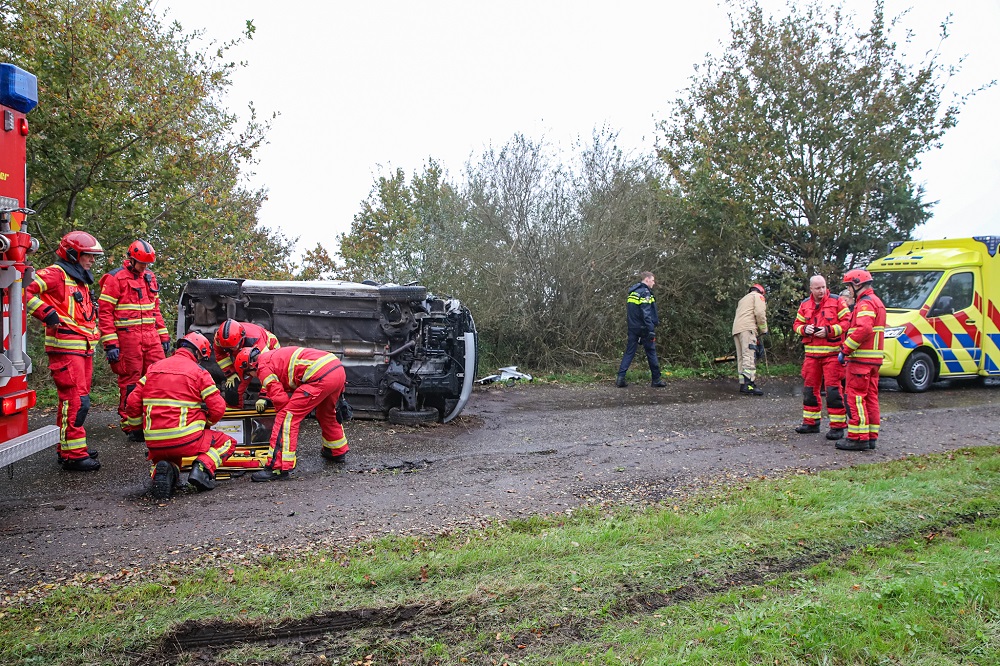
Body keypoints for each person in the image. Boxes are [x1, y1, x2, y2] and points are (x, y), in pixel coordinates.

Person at [25, 231, 104, 471]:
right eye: (87, 256)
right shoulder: (56, 274)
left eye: (93, 256)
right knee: (77, 401)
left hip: (82, 348)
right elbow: (22, 289)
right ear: (72, 254)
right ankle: (74, 455)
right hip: (67, 349)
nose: (91, 261)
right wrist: (45, 312)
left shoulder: (78, 278)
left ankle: (69, 447)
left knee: (73, 402)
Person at [124, 332, 236, 499]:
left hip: (155, 442)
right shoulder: (198, 372)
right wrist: (207, 422)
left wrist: (137, 429)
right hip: (186, 439)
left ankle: (164, 471)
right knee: (227, 442)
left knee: (168, 459)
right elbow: (218, 407)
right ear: (198, 353)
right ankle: (202, 468)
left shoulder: (154, 368)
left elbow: (132, 402)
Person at [234, 345, 348, 482]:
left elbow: (281, 399)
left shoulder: (262, 367)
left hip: (320, 376)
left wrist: (278, 412)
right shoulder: (271, 355)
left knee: (286, 418)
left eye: (248, 374)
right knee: (326, 413)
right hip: (336, 369)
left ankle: (278, 467)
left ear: (250, 366)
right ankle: (336, 451)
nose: (253, 377)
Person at [98, 239, 171, 442]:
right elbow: (104, 313)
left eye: (147, 264)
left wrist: (163, 335)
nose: (145, 267)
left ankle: (154, 421)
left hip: (150, 336)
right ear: (131, 259)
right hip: (128, 338)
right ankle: (131, 424)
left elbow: (155, 309)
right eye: (142, 264)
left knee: (157, 378)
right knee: (130, 382)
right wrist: (111, 343)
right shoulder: (115, 278)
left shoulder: (150, 277)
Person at [792, 276, 851, 439]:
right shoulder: (805, 304)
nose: (821, 291)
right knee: (809, 390)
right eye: (818, 288)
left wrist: (829, 331)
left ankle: (838, 426)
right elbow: (796, 325)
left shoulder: (838, 301)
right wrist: (805, 329)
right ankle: (811, 423)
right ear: (811, 289)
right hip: (812, 355)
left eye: (823, 287)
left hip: (832, 355)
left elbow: (847, 322)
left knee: (833, 391)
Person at [837, 269, 887, 451]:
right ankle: (871, 436)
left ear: (857, 284)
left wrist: (846, 349)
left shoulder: (865, 304)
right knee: (870, 398)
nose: (848, 291)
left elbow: (864, 328)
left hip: (861, 361)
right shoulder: (877, 302)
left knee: (855, 398)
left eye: (849, 287)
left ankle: (858, 437)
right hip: (873, 361)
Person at [213, 318, 280, 407]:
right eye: (229, 348)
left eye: (234, 347)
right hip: (244, 354)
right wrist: (230, 373)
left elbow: (269, 372)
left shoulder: (257, 342)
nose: (233, 350)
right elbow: (221, 356)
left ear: (242, 338)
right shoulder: (219, 339)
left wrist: (264, 396)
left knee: (272, 383)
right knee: (233, 388)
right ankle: (236, 412)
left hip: (270, 348)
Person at [615, 271, 666, 388]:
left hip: (633, 327)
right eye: (652, 280)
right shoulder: (645, 293)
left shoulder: (632, 293)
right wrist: (651, 329)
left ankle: (620, 378)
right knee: (651, 352)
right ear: (647, 279)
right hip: (644, 329)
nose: (654, 283)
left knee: (629, 352)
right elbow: (646, 314)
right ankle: (656, 379)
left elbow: (631, 313)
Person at [732, 283, 769, 395]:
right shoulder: (758, 297)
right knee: (749, 355)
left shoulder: (743, 299)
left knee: (742, 357)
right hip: (748, 329)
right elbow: (760, 314)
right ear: (761, 291)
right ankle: (749, 385)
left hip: (737, 330)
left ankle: (743, 384)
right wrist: (764, 329)